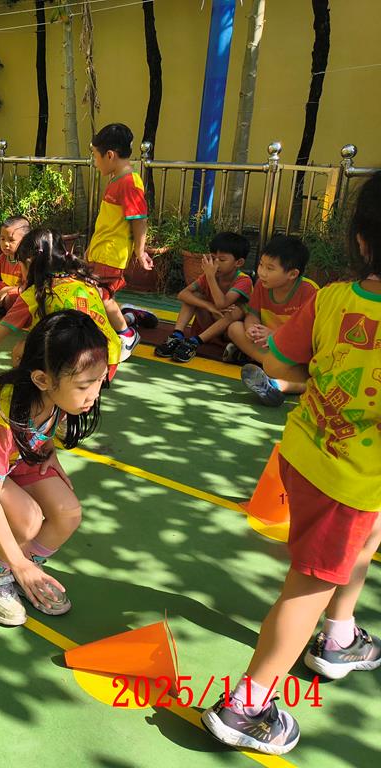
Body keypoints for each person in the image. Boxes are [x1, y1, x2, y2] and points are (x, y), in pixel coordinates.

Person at [201, 173, 381, 756]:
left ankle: (340, 636)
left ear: (360, 240)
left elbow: (278, 361)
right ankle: (246, 706)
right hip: (349, 479)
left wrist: (321, 378)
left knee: (366, 538)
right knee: (308, 586)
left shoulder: (331, 299)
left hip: (305, 454)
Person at [0, 310, 108, 626]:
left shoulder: (57, 396)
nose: (94, 394)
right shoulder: (1, 418)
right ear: (42, 379)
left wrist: (50, 453)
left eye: (100, 380)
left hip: (20, 452)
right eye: (85, 385)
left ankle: (23, 568)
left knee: (68, 513)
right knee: (27, 519)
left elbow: (46, 424)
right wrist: (18, 562)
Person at [0, 230, 122, 377]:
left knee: (19, 351)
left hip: (76, 364)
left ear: (28, 263)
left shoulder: (34, 293)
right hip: (109, 356)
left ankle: (25, 385)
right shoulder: (84, 281)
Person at [225, 235, 318, 405]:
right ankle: (276, 376)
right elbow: (252, 314)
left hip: (295, 354)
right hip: (268, 344)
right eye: (261, 264)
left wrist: (276, 335)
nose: (262, 272)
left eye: (270, 268)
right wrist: (251, 327)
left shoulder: (309, 292)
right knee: (235, 328)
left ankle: (281, 381)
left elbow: (310, 336)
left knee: (274, 367)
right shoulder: (262, 285)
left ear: (292, 274)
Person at [86, 123, 152, 358]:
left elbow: (139, 220)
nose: (95, 162)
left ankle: (127, 334)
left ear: (110, 155)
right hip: (102, 250)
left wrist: (140, 252)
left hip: (111, 254)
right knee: (98, 295)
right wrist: (91, 249)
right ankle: (126, 319)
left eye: (96, 156)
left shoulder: (129, 183)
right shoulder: (117, 179)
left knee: (101, 296)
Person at [154, 232, 252, 363]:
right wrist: (208, 305)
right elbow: (183, 294)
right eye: (213, 258)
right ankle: (177, 335)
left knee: (236, 311)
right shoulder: (210, 276)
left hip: (228, 332)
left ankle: (194, 343)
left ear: (239, 262)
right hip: (208, 324)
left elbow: (221, 304)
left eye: (222, 260)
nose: (215, 263)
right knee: (194, 296)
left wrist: (210, 277)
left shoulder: (244, 281)